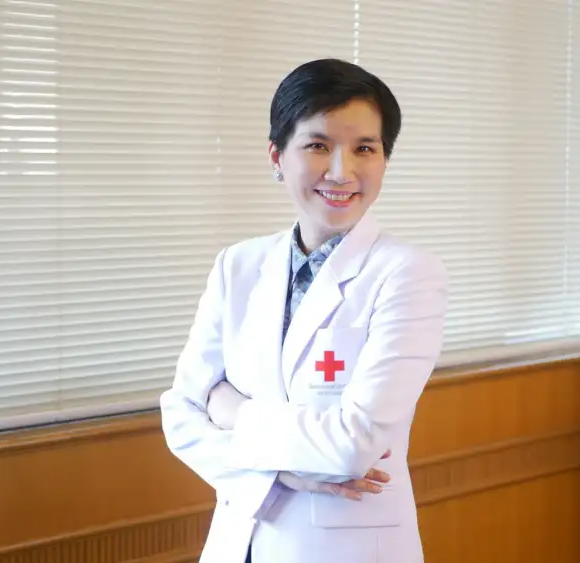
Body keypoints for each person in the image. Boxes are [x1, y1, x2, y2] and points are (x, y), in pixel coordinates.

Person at [159, 58, 448, 563]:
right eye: (318, 145)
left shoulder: (407, 273)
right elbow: (181, 417)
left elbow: (353, 445)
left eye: (365, 148)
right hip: (238, 543)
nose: (342, 171)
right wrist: (281, 474)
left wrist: (233, 411)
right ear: (277, 155)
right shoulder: (238, 265)